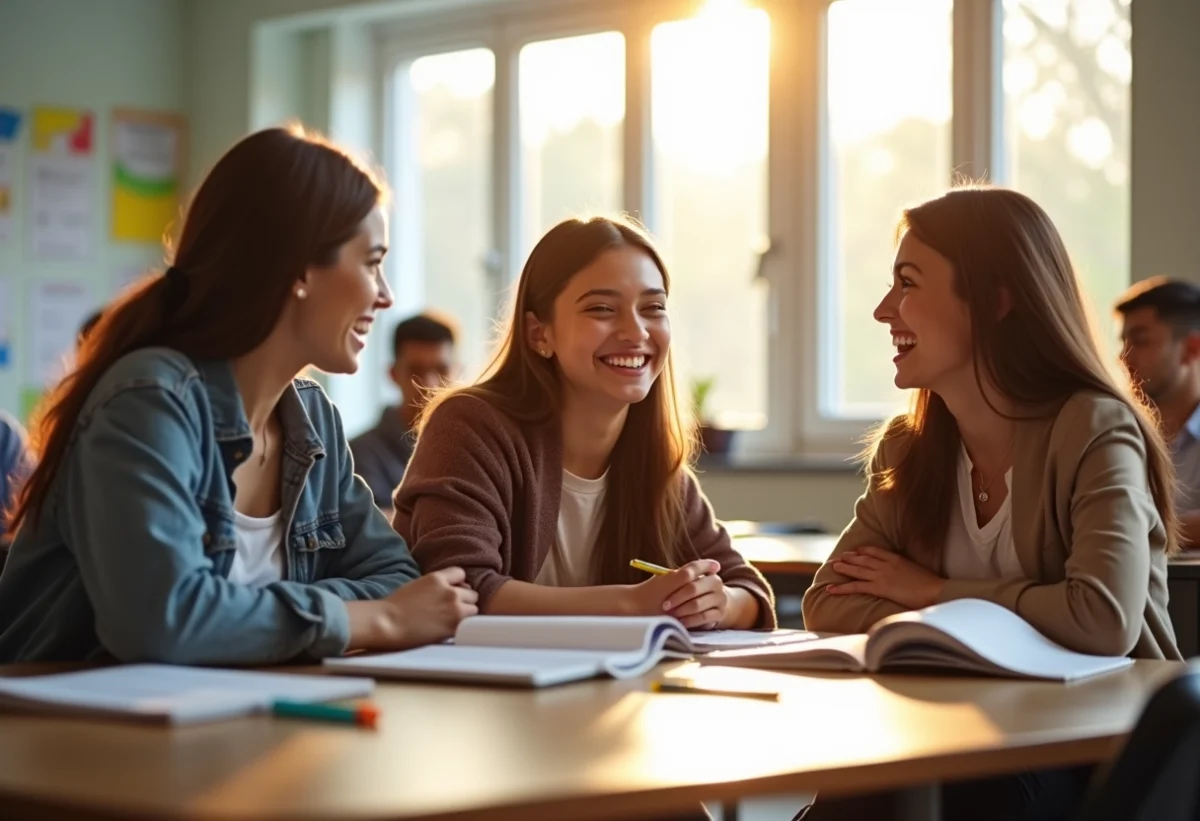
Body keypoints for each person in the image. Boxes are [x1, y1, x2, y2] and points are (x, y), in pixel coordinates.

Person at [0, 126, 477, 664]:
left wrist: (237, 612)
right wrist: (374, 617)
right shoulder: (149, 401)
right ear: (298, 267)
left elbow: (397, 576)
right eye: (371, 262)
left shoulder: (312, 417)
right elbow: (162, 623)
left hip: (216, 724)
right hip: (61, 738)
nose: (385, 295)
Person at [799, 186, 1181, 821]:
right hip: (949, 734)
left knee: (943, 790)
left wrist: (929, 591)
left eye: (907, 283)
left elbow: (1100, 619)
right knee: (862, 787)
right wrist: (1010, 609)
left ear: (994, 301)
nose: (882, 310)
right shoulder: (907, 449)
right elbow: (828, 604)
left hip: (1092, 758)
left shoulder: (1093, 426)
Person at [393, 216, 775, 630]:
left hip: (607, 691)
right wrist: (630, 605)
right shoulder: (470, 426)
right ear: (540, 333)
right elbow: (461, 589)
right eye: (602, 309)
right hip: (470, 690)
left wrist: (719, 603)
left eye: (653, 308)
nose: (636, 331)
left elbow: (746, 588)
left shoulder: (650, 452)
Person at [1115, 277, 1200, 548]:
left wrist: (1126, 528)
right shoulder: (1118, 431)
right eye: (1123, 341)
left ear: (1190, 349)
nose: (1124, 357)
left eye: (1140, 341)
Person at [349, 312, 457, 508]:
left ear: (457, 372)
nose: (430, 385)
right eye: (416, 371)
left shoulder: (471, 449)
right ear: (393, 374)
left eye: (441, 369)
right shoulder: (357, 455)